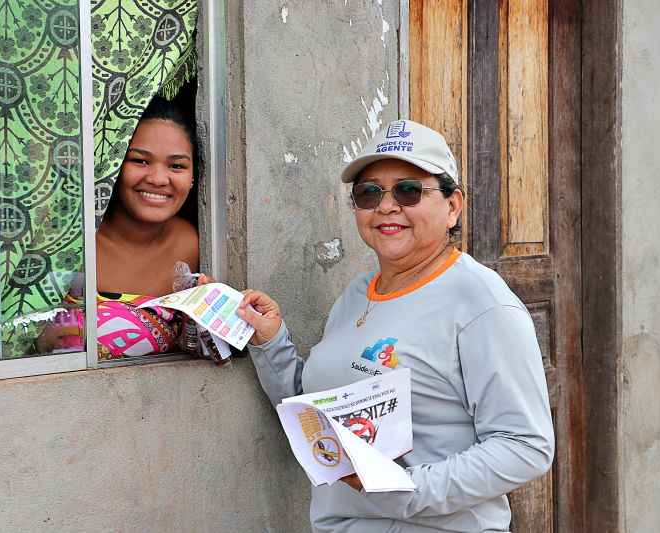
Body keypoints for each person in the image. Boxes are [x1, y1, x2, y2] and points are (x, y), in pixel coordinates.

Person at [236, 119, 554, 532]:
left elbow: (525, 446)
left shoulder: (481, 303)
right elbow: (316, 418)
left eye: (408, 190)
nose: (386, 206)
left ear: (452, 206)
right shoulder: (357, 294)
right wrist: (270, 340)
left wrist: (403, 489)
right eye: (369, 193)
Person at [38, 97, 211, 358]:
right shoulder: (69, 242)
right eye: (140, 161)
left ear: (193, 175)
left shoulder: (197, 246)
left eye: (176, 166)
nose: (157, 179)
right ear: (112, 165)